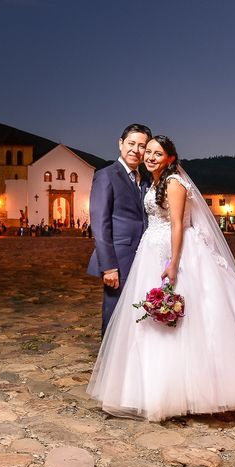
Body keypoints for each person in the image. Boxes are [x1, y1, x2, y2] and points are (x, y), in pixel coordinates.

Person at [87, 135, 235, 421]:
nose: (150, 156)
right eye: (148, 151)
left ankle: (193, 390)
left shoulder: (173, 183)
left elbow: (178, 224)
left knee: (189, 319)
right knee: (149, 323)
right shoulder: (152, 182)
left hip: (174, 252)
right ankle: (148, 388)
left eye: (158, 153)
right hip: (150, 251)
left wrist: (174, 263)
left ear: (170, 158)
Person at [87, 123, 153, 337]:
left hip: (145, 257)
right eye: (131, 143)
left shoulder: (147, 180)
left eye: (142, 146)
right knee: (114, 313)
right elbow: (100, 223)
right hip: (119, 258)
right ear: (120, 144)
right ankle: (108, 364)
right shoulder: (106, 175)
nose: (136, 149)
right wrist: (108, 267)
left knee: (140, 314)